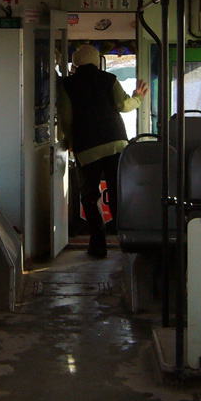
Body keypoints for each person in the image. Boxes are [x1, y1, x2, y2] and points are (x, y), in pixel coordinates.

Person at [57, 44, 149, 257]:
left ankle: (98, 245)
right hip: (116, 144)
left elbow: (66, 118)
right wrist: (138, 97)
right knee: (118, 193)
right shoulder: (109, 79)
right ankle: (124, 241)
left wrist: (71, 142)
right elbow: (124, 105)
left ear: (75, 64)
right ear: (98, 63)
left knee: (90, 195)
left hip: (87, 148)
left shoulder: (67, 84)